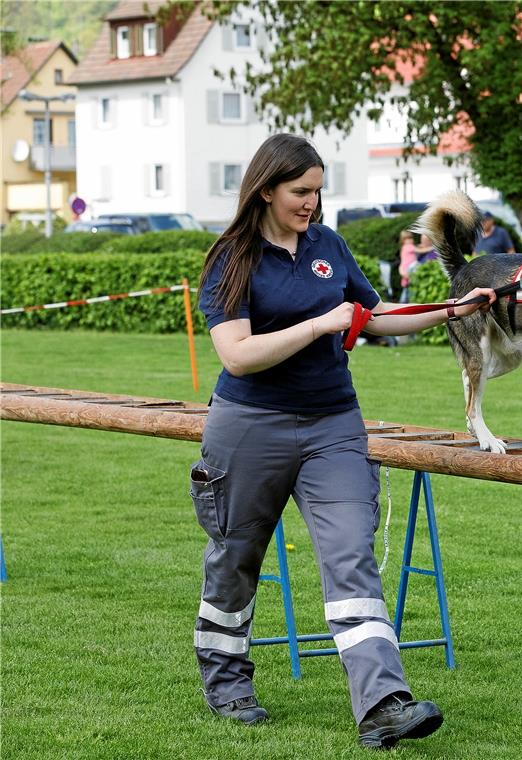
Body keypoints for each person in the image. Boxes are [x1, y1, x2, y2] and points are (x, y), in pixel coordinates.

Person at [192, 133, 495, 750]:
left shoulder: (328, 245)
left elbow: (374, 316)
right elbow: (239, 356)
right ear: (266, 188)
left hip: (333, 423)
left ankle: (384, 705)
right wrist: (318, 325)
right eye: (300, 192)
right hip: (251, 424)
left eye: (318, 190)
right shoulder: (233, 258)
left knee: (351, 556)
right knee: (235, 557)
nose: (311, 202)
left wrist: (453, 310)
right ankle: (226, 680)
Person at [396, 230, 418, 303]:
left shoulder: (403, 248)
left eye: (410, 238)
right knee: (409, 293)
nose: (409, 240)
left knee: (406, 291)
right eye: (407, 239)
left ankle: (402, 305)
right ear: (403, 241)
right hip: (408, 271)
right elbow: (420, 250)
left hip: (405, 270)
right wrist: (431, 248)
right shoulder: (408, 246)